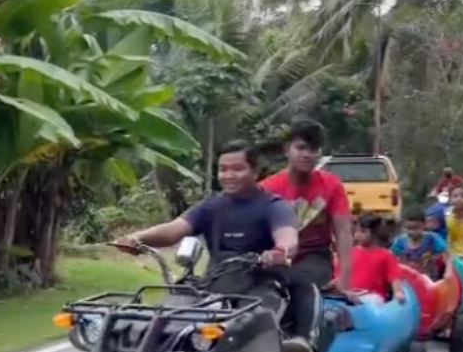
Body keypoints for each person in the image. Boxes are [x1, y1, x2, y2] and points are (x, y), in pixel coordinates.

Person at [113, 140, 315, 339]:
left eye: (237, 169)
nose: (228, 176)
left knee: (253, 330)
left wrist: (280, 251)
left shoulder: (274, 206)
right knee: (166, 320)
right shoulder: (211, 206)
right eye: (223, 169)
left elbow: (288, 237)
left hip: (260, 285)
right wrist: (137, 238)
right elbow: (175, 229)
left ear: (255, 172)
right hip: (213, 284)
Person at [260, 119, 355, 293]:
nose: (306, 154)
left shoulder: (331, 184)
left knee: (297, 282)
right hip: (276, 258)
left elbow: (344, 233)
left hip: (315, 257)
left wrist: (345, 279)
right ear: (287, 149)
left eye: (313, 149)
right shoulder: (268, 188)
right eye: (301, 148)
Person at [348, 214, 405, 296]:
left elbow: (394, 277)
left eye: (363, 232)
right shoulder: (350, 253)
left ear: (375, 233)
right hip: (351, 299)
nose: (358, 235)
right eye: (356, 231)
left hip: (374, 302)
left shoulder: (386, 255)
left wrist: (398, 292)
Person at [391, 210, 449, 276]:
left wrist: (448, 272)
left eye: (416, 228)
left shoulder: (432, 239)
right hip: (407, 279)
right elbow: (392, 258)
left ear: (424, 225)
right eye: (408, 228)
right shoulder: (400, 241)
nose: (411, 232)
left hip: (429, 280)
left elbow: (447, 255)